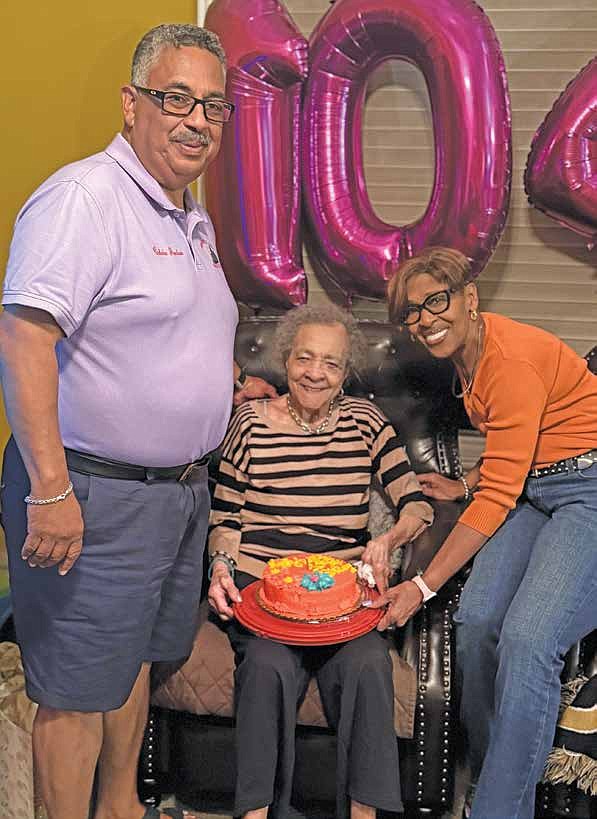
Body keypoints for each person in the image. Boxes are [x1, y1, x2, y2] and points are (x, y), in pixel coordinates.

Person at [0, 23, 275, 819]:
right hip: (92, 493)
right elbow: (24, 336)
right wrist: (50, 488)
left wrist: (223, 388)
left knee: (129, 670)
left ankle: (120, 807)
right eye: (176, 98)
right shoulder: (85, 199)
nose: (196, 120)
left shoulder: (188, 217)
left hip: (178, 494)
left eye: (213, 106)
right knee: (75, 691)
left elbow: (163, 333)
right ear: (132, 105)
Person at [380, 246, 597, 819]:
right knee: (476, 621)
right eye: (411, 311)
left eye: (436, 300)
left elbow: (502, 492)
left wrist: (421, 586)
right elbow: (522, 444)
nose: (424, 319)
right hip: (538, 487)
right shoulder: (469, 358)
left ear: (469, 299)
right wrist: (468, 480)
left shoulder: (509, 360)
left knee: (529, 640)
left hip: (589, 492)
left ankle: (497, 809)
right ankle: (502, 773)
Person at [207, 303, 434, 819]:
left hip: (343, 594)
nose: (315, 372)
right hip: (262, 586)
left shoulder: (366, 422)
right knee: (264, 667)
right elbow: (225, 517)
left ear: (346, 371)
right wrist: (221, 567)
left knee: (370, 663)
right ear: (286, 360)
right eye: (305, 358)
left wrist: (387, 540)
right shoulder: (248, 422)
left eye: (330, 364)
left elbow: (417, 505)